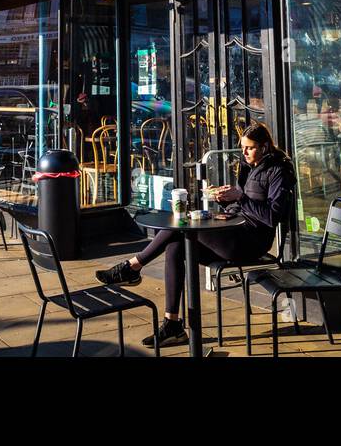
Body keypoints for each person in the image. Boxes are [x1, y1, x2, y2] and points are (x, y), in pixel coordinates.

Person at [94, 124, 296, 348]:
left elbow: (272, 216)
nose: (244, 153)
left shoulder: (281, 170)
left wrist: (240, 197)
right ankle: (172, 325)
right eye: (242, 148)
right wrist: (225, 199)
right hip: (234, 228)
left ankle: (132, 267)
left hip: (251, 241)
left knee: (182, 227)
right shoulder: (249, 165)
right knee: (176, 246)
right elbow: (244, 202)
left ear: (265, 146)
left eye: (249, 148)